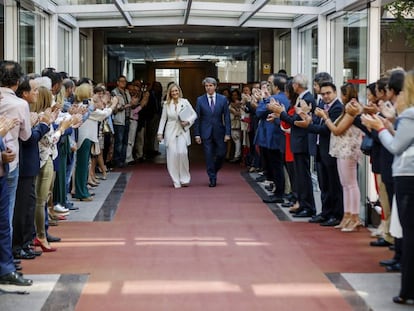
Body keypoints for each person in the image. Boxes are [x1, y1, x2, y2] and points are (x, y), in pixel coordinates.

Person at [361, 70, 414, 306]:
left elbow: (396, 146)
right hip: (404, 174)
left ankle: (408, 288)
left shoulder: (410, 114)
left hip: (407, 177)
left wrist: (380, 127)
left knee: (408, 232)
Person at [157, 83, 197, 188]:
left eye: (176, 91)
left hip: (182, 131)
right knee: (172, 155)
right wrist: (160, 133)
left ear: (179, 91)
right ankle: (176, 180)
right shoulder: (166, 104)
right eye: (172, 91)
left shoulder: (185, 102)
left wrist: (188, 121)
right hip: (170, 132)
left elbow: (194, 114)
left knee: (182, 152)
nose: (175, 93)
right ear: (169, 93)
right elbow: (163, 119)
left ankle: (185, 178)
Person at [194, 77, 231, 187]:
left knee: (221, 154)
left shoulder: (223, 99)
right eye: (206, 86)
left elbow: (227, 117)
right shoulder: (200, 100)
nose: (208, 88)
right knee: (209, 155)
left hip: (219, 131)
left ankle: (214, 170)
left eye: (210, 85)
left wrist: (227, 133)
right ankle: (212, 177)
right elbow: (197, 118)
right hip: (206, 132)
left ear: (215, 86)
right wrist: (197, 134)